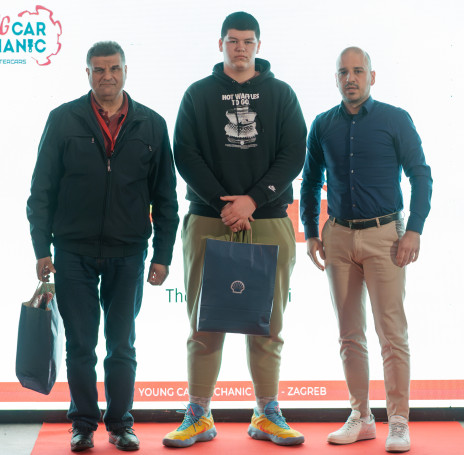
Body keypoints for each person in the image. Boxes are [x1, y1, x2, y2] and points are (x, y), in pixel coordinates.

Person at [162, 11, 307, 448]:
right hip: (210, 219)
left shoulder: (281, 94)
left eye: (247, 41)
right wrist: (224, 204)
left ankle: (266, 413)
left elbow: (293, 153)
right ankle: (198, 414)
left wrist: (253, 200)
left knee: (268, 322)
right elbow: (185, 153)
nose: (240, 48)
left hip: (268, 219)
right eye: (232, 40)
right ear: (220, 44)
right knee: (205, 322)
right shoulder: (198, 94)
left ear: (258, 46)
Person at [27, 41, 179, 452]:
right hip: (72, 253)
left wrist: (163, 254)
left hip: (128, 253)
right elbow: (41, 191)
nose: (107, 76)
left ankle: (121, 424)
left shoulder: (151, 124)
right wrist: (42, 248)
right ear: (88, 73)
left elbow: (166, 198)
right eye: (98, 69)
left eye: (114, 68)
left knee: (121, 345)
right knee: (80, 345)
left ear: (126, 71)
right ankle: (82, 425)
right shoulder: (63, 120)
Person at [300, 47, 432, 453]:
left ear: (372, 76)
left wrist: (414, 230)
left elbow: (421, 175)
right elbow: (310, 181)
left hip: (385, 236)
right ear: (336, 79)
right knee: (349, 335)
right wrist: (311, 232)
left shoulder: (395, 119)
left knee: (391, 333)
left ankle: (398, 421)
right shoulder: (322, 124)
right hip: (338, 237)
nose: (351, 78)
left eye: (358, 71)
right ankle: (361, 416)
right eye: (343, 72)